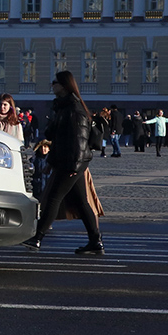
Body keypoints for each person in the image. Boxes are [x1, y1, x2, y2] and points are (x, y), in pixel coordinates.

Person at [21, 70, 104, 254]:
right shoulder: (64, 107)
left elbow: (78, 141)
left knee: (53, 198)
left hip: (71, 163)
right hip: (69, 161)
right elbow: (57, 136)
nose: (52, 85)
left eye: (55, 82)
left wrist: (73, 165)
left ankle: (37, 238)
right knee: (82, 202)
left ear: (64, 86)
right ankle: (95, 240)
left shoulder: (74, 110)